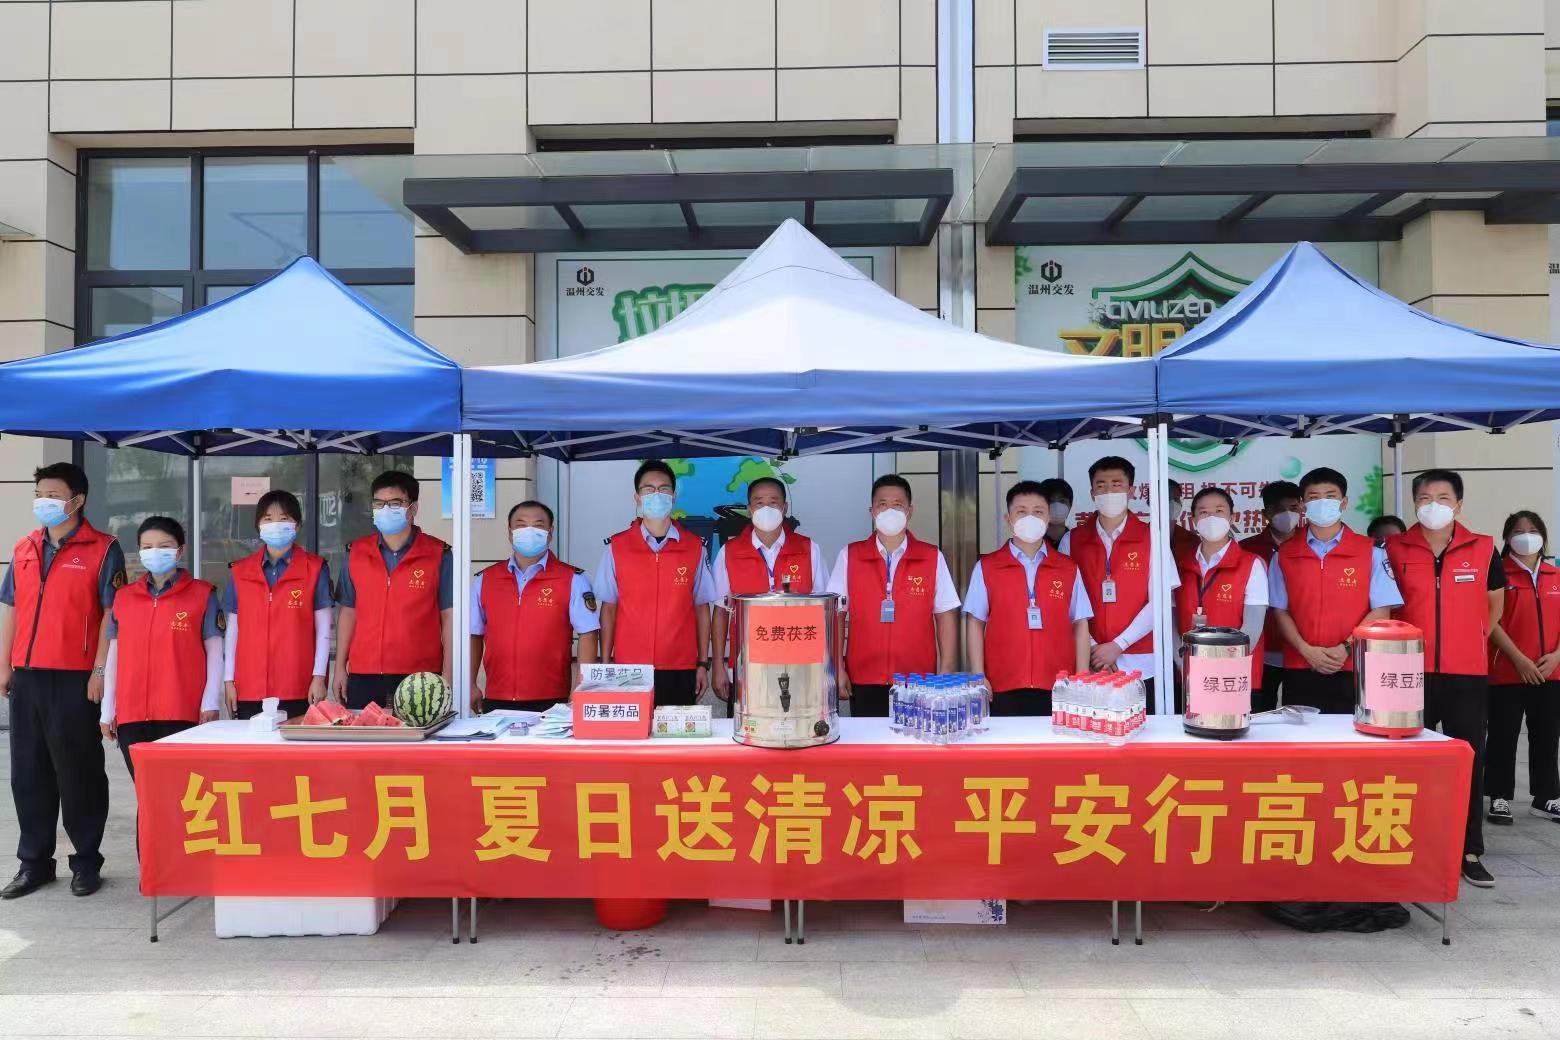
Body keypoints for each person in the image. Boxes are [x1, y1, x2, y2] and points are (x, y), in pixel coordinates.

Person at [0, 463, 125, 900]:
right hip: (28, 676)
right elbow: (13, 608)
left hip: (75, 677)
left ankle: (86, 861)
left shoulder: (104, 549)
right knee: (28, 773)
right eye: (39, 493)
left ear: (77, 499)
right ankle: (34, 863)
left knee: (79, 772)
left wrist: (100, 670)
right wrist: (4, 665)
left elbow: (112, 614)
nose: (44, 501)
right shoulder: (24, 548)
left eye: (53, 494)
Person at [1385, 468, 1504, 888]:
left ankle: (1469, 849)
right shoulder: (1394, 548)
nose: (1432, 506)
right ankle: (1406, 842)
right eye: (1424, 498)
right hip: (1406, 671)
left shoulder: (1484, 548)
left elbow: (1494, 606)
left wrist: (1470, 638)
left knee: (1467, 760)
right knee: (1406, 764)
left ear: (1459, 504)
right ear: (1414, 503)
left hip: (1465, 673)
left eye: (1442, 498)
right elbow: (1388, 606)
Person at [1269, 467, 1401, 715]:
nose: (1322, 502)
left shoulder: (1370, 552)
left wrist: (1346, 648)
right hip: (1301, 665)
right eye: (1314, 497)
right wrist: (1306, 650)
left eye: (1330, 496)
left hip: (1355, 665)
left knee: (1354, 735)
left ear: (1344, 503)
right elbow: (1280, 611)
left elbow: (1381, 610)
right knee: (1302, 736)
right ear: (1303, 505)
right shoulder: (1285, 555)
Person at [827, 474, 960, 717]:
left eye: (897, 505)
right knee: (868, 740)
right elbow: (836, 615)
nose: (890, 511)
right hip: (863, 677)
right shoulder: (850, 555)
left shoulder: (931, 557)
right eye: (882, 504)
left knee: (915, 739)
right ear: (872, 512)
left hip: (917, 679)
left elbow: (946, 615)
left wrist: (947, 670)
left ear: (910, 511)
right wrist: (837, 666)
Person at [100, 517, 222, 778]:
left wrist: (210, 702)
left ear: (180, 550)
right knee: (146, 790)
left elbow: (214, 653)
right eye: (147, 547)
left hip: (182, 712)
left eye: (164, 546)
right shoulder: (125, 598)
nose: (155, 552)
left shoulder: (202, 595)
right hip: (132, 716)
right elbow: (114, 657)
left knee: (181, 788)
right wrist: (107, 710)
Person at [595, 460, 716, 707]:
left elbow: (702, 608)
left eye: (663, 489)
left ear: (673, 497)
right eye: (648, 489)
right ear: (637, 497)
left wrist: (703, 663)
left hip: (680, 665)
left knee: (675, 732)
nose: (656, 495)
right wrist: (606, 663)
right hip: (629, 667)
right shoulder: (617, 547)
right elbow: (608, 608)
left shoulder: (694, 546)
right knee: (631, 731)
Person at [964, 481, 1091, 716]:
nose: (1030, 518)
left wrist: (1082, 676)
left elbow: (1080, 623)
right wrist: (978, 674)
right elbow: (975, 622)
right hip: (1003, 683)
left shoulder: (1067, 568)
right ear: (1008, 519)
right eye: (1021, 512)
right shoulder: (988, 567)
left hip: (1059, 684)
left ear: (1048, 518)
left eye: (1038, 512)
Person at [332, 471, 453, 709]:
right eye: (379, 504)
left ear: (413, 508)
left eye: (395, 503)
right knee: (365, 733)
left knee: (417, 733)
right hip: (363, 673)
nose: (386, 510)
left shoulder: (438, 554)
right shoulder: (356, 553)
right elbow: (348, 612)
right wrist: (339, 668)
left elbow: (449, 617)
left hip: (420, 676)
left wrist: (448, 673)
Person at [1060, 457, 1177, 701]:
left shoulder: (1152, 538)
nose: (1109, 491)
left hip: (1142, 663)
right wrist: (1093, 648)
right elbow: (1065, 603)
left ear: (1131, 491)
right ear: (1092, 493)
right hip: (1089, 661)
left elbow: (1161, 601)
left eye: (1117, 484)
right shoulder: (1073, 540)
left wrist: (1118, 645)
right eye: (1101, 485)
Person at [710, 477, 829, 715]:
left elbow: (824, 611)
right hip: (748, 668)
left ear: (784, 508)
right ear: (749, 509)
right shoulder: (730, 552)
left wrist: (827, 668)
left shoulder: (808, 549)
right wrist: (718, 666)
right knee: (749, 732)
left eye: (773, 503)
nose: (766, 508)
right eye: (759, 502)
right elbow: (721, 612)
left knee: (797, 731)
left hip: (801, 668)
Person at [471, 500, 599, 713]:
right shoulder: (486, 580)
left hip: (551, 698)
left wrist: (581, 687)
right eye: (521, 525)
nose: (529, 531)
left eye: (538, 526)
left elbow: (588, 634)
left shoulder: (572, 579)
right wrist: (470, 683)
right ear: (510, 532)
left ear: (550, 533)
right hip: (497, 696)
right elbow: (473, 634)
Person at [221, 490, 332, 720]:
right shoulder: (240, 571)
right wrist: (229, 680)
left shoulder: (315, 569)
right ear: (258, 525)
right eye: (268, 519)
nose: (276, 525)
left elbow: (324, 630)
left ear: (297, 525)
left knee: (294, 743)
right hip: (249, 686)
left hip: (298, 685)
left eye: (284, 518)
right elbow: (232, 630)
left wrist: (319, 677)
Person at [1486, 511, 1560, 826]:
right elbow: (1491, 621)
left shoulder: (1555, 575)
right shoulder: (1499, 575)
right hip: (1507, 670)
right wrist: (1518, 658)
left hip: (1550, 671)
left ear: (1543, 535)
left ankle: (1546, 797)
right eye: (1518, 531)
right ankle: (1499, 796)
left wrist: (1556, 657)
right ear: (1506, 538)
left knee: (1547, 735)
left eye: (1533, 529)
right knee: (1502, 735)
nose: (1526, 535)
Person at [1175, 488, 1268, 695]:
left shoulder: (1251, 564)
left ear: (1232, 517)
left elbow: (1252, 628)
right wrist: (1182, 661)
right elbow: (1171, 623)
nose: (1211, 518)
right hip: (1189, 672)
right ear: (1193, 520)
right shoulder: (1181, 565)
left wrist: (1222, 668)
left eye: (1219, 511)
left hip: (1235, 676)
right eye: (1204, 512)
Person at [1240, 480, 1302, 712]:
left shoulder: (1311, 545)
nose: (1287, 515)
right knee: (1261, 712)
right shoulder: (1247, 549)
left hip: (1304, 649)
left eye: (1293, 508)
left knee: (1300, 713)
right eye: (1278, 509)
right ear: (1265, 513)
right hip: (1263, 648)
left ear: (1301, 508)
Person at [1037, 477, 1074, 548]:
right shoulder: (1031, 543)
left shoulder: (1077, 541)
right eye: (1050, 501)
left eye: (1062, 501)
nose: (1057, 506)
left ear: (1070, 506)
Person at [1167, 479, 1199, 560]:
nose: (1172, 503)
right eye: (1168, 498)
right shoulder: (1142, 536)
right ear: (1150, 501)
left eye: (1176, 498)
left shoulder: (1192, 540)